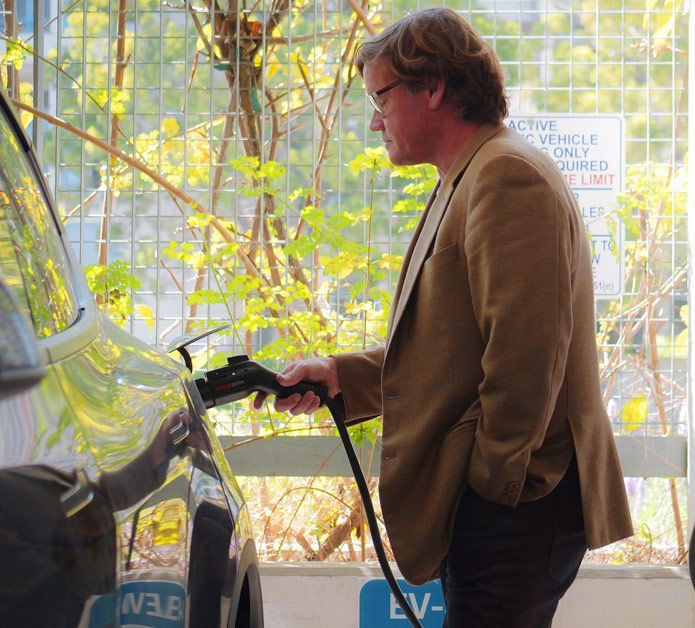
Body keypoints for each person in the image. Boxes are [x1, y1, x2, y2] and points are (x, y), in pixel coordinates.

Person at [259, 8, 633, 626]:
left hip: (516, 505)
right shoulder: (469, 176)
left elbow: (525, 361)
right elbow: (448, 354)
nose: (374, 120)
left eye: (380, 97)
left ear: (432, 87)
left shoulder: (507, 178)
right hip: (504, 503)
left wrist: (491, 484)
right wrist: (337, 375)